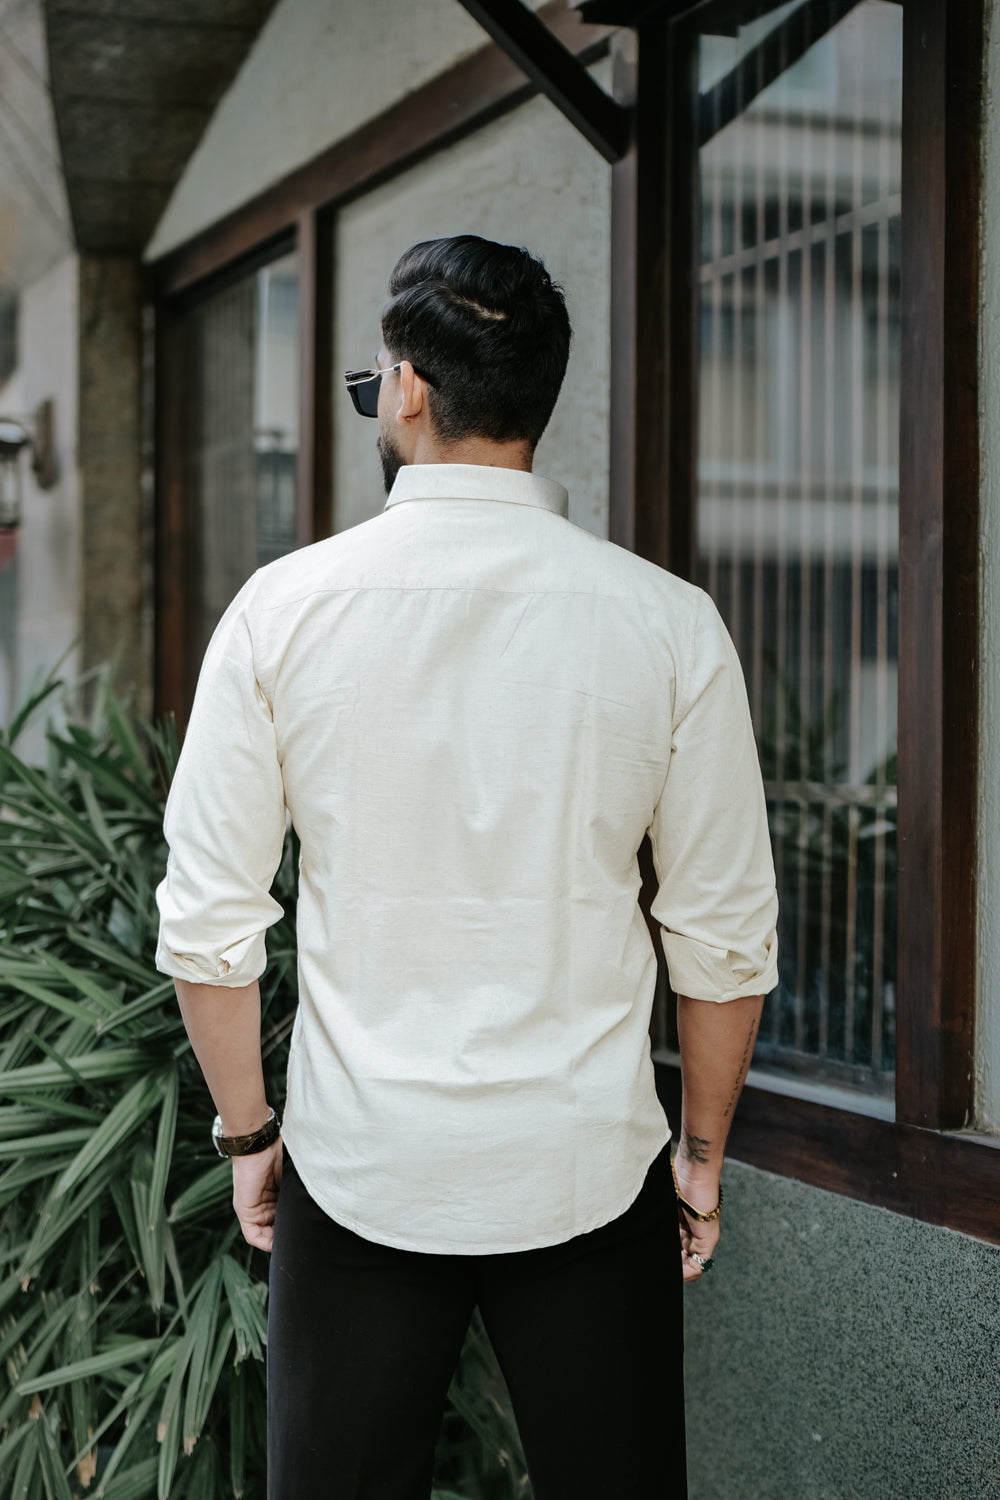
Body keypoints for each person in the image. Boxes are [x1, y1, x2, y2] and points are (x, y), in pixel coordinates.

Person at [156, 234, 778, 1500]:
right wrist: (699, 1159)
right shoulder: (666, 622)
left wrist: (248, 1135)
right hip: (586, 1170)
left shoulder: (283, 608)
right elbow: (718, 934)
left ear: (409, 390)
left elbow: (212, 924)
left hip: (360, 1167)